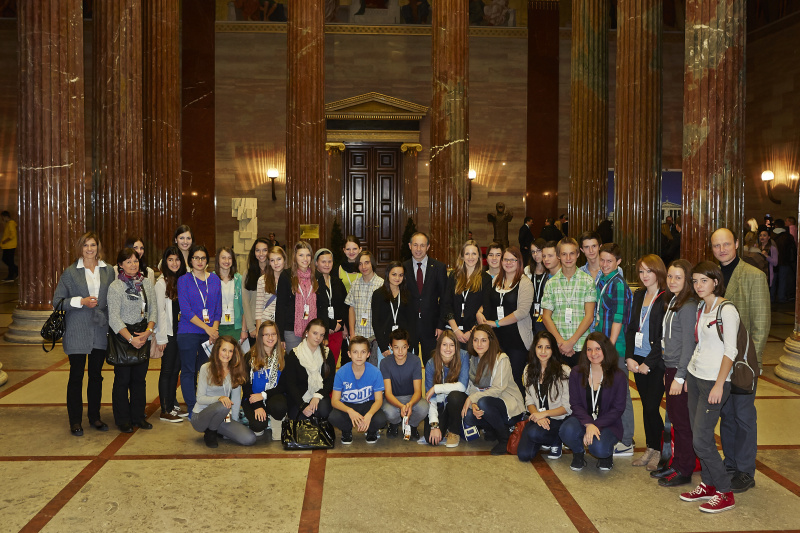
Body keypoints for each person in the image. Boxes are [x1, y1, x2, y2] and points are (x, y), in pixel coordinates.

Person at [710, 228, 770, 494]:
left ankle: (745, 470)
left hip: (743, 364)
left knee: (744, 418)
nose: (722, 250)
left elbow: (761, 325)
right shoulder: (711, 277)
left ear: (736, 244)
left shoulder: (754, 276)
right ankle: (731, 464)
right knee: (727, 416)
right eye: (716, 246)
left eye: (726, 244)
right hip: (718, 363)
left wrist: (748, 366)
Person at [679, 261, 737, 513]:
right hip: (696, 376)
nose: (698, 285)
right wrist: (687, 376)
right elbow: (700, 344)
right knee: (696, 435)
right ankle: (708, 484)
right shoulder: (702, 306)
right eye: (695, 280)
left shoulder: (727, 310)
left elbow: (730, 351)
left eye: (704, 280)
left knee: (702, 439)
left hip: (715, 381)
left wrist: (720, 385)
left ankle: (725, 492)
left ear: (716, 281)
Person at [53, 232, 114, 436]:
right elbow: (57, 301)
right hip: (77, 329)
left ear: (98, 247)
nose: (90, 249)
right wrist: (82, 301)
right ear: (80, 248)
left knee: (96, 376)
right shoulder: (70, 272)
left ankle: (94, 417)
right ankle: (75, 420)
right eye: (86, 245)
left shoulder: (108, 270)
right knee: (76, 375)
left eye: (93, 245)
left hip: (99, 329)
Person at [653, 259, 697, 487]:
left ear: (687, 280)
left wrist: (680, 376)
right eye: (670, 276)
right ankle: (676, 462)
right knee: (675, 419)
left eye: (678, 277)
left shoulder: (688, 306)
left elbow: (689, 345)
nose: (672, 281)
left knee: (682, 423)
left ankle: (685, 468)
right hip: (670, 369)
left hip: (681, 372)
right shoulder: (673, 302)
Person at [559, 332, 627, 471]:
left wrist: (596, 425)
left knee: (599, 448)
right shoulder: (577, 372)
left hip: (608, 423)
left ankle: (606, 455)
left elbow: (618, 409)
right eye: (589, 349)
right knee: (566, 431)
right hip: (583, 419)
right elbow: (575, 404)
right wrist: (589, 424)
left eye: (598, 349)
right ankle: (578, 452)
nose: (593, 353)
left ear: (605, 350)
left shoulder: (618, 376)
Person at [107, 248, 157, 433]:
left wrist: (148, 332)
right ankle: (122, 419)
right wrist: (130, 339)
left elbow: (153, 310)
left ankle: (138, 417)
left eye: (135, 261)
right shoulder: (116, 287)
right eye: (128, 261)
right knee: (122, 380)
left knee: (139, 380)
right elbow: (113, 317)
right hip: (123, 337)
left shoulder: (146, 284)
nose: (133, 265)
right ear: (120, 264)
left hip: (143, 335)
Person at [625, 255, 667, 470]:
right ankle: (650, 447)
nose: (644, 276)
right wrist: (630, 357)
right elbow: (632, 327)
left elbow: (664, 336)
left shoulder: (665, 298)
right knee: (646, 406)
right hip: (638, 359)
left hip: (656, 362)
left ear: (658, 271)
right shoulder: (639, 294)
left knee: (652, 406)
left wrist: (648, 363)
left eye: (648, 271)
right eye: (641, 272)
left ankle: (660, 449)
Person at [593, 243, 634, 456]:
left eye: (610, 261)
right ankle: (615, 432)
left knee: (622, 394)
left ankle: (627, 440)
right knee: (608, 392)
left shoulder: (617, 283)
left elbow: (618, 317)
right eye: (603, 260)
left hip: (614, 347)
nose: (605, 264)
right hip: (603, 344)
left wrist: (608, 348)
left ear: (618, 262)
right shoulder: (602, 279)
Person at [476, 246, 533, 395]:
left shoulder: (524, 282)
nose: (508, 263)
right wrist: (479, 312)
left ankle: (519, 412)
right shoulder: (496, 281)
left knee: (513, 378)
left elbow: (522, 312)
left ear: (518, 262)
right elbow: (489, 302)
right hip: (498, 338)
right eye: (505, 259)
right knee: (498, 377)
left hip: (517, 339)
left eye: (512, 260)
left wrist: (496, 323)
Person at [461, 325, 526, 455]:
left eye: (483, 340)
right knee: (468, 416)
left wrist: (472, 399)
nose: (479, 344)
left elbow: (497, 389)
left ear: (491, 341)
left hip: (509, 406)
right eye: (475, 340)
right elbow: (472, 387)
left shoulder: (501, 358)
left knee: (484, 402)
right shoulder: (473, 360)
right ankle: (491, 429)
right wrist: (473, 404)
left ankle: (504, 439)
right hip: (488, 404)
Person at [177, 244, 221, 415]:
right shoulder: (184, 280)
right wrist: (208, 329)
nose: (200, 261)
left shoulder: (215, 279)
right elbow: (186, 311)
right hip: (188, 331)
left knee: (206, 370)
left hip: (210, 334)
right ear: (190, 261)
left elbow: (217, 308)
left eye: (203, 258)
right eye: (196, 258)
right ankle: (192, 407)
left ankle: (205, 404)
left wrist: (214, 330)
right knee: (188, 370)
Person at [190, 336, 256, 448]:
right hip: (200, 417)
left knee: (249, 439)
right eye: (224, 350)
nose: (227, 354)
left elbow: (235, 399)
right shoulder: (206, 368)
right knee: (224, 405)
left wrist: (233, 422)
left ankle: (216, 429)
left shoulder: (235, 370)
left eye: (230, 351)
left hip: (222, 415)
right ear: (217, 351)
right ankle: (210, 433)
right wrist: (219, 398)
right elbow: (200, 399)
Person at [517, 331, 571, 462]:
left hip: (558, 418)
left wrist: (544, 414)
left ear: (553, 350)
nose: (543, 351)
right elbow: (528, 400)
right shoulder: (528, 370)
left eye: (548, 347)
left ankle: (556, 440)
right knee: (524, 455)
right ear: (534, 348)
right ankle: (543, 437)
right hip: (538, 417)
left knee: (534, 433)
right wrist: (537, 416)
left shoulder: (564, 371)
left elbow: (568, 407)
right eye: (539, 346)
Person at [541, 238, 597, 367]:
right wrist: (561, 343)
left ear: (578, 254)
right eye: (564, 254)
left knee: (581, 386)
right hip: (558, 347)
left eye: (572, 253)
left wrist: (571, 342)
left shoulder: (588, 281)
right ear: (559, 256)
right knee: (559, 386)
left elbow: (589, 317)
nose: (568, 258)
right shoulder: (551, 283)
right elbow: (546, 317)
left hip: (581, 346)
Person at [330, 335, 388, 444]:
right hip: (348, 404)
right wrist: (350, 411)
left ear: (368, 354)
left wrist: (369, 415)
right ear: (349, 354)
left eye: (363, 352)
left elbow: (379, 400)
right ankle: (346, 431)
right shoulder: (341, 372)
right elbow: (334, 401)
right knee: (333, 417)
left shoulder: (375, 372)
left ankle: (372, 431)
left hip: (367, 404)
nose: (359, 356)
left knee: (381, 419)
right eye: (355, 352)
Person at [403, 232, 447, 364]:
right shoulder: (402, 268)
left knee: (432, 366)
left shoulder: (439, 268)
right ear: (410, 246)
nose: (418, 249)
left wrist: (441, 324)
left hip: (432, 327)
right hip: (409, 326)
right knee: (407, 365)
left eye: (422, 245)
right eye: (415, 245)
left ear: (428, 247)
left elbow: (445, 298)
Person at [155, 246, 187, 423]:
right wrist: (161, 337)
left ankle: (172, 405)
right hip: (168, 334)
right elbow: (160, 312)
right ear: (165, 262)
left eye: (177, 259)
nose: (174, 263)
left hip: (180, 332)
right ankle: (165, 409)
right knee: (167, 371)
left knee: (175, 370)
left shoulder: (180, 281)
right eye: (170, 260)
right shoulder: (161, 283)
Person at [441, 240, 491, 352]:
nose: (470, 257)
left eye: (474, 253)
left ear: (479, 256)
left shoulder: (485, 279)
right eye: (467, 253)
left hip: (474, 334)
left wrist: (471, 331)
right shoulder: (454, 276)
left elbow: (486, 307)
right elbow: (446, 304)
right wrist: (456, 330)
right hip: (452, 332)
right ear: (462, 256)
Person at [242, 320, 287, 440]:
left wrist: (264, 395)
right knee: (258, 426)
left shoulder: (283, 356)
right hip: (252, 397)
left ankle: (276, 419)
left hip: (273, 395)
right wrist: (257, 406)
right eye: (266, 334)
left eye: (273, 334)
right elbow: (245, 385)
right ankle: (263, 419)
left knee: (279, 407)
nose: (270, 337)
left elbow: (284, 385)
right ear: (260, 337)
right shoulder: (248, 357)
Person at [424, 330, 470, 447]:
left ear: (456, 346)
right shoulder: (431, 364)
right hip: (440, 404)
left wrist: (436, 388)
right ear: (439, 346)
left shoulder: (463, 356)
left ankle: (454, 432)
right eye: (444, 344)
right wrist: (435, 425)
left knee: (454, 396)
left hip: (458, 402)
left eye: (452, 345)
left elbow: (462, 386)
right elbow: (431, 399)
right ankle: (446, 425)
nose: (448, 349)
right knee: (431, 439)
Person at [282, 319, 335, 420]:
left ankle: (318, 425)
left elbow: (330, 381)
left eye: (322, 335)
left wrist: (317, 396)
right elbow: (290, 384)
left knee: (323, 410)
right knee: (300, 418)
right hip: (299, 399)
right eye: (315, 333)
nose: (318, 338)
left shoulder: (327, 353)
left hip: (319, 396)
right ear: (307, 333)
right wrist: (302, 406)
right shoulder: (294, 354)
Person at [380, 329, 427, 439]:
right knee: (388, 411)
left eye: (404, 347)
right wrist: (401, 406)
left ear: (408, 346)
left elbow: (418, 391)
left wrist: (409, 405)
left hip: (411, 397)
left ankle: (413, 426)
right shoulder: (385, 363)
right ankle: (394, 424)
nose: (400, 351)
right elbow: (388, 393)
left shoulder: (415, 360)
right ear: (390, 346)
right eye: (396, 347)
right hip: (392, 398)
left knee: (424, 408)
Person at [276, 241, 318, 351]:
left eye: (308, 255)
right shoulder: (286, 276)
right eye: (301, 255)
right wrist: (280, 336)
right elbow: (280, 307)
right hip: (291, 330)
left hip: (313, 330)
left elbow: (322, 305)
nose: (305, 258)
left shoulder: (317, 276)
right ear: (295, 257)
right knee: (294, 364)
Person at [372, 261, 415, 366]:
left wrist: (409, 346)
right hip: (385, 346)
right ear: (388, 274)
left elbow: (412, 322)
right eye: (394, 274)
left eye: (401, 275)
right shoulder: (378, 294)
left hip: (404, 346)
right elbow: (376, 323)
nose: (397, 278)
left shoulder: (408, 295)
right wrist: (383, 347)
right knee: (385, 378)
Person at [345, 250, 384, 360]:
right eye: (360, 264)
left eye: (367, 262)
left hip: (375, 336)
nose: (364, 266)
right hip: (358, 335)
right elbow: (351, 309)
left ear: (372, 263)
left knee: (374, 369)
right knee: (358, 368)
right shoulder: (355, 284)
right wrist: (352, 333)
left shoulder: (381, 284)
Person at [314, 248, 347, 365]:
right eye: (323, 261)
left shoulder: (338, 282)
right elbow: (315, 308)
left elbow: (344, 306)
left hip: (337, 330)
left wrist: (342, 325)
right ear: (316, 263)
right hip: (319, 331)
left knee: (332, 363)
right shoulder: (313, 283)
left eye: (330, 261)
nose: (327, 265)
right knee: (319, 364)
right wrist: (329, 324)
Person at [215, 246, 248, 342]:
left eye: (229, 258)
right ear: (218, 259)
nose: (227, 261)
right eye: (223, 257)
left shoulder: (240, 279)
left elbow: (244, 306)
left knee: (236, 356)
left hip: (236, 326)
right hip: (217, 326)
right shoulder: (211, 278)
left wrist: (244, 329)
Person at [242, 238, 271, 343]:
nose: (261, 253)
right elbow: (245, 302)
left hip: (272, 323)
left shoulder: (276, 273)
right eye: (258, 250)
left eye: (265, 250)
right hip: (254, 324)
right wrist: (250, 327)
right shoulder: (248, 273)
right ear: (254, 253)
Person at [255, 246, 286, 330]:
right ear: (269, 262)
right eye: (272, 260)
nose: (276, 263)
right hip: (266, 323)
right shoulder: (262, 280)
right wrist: (258, 330)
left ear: (284, 259)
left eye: (279, 259)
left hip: (284, 324)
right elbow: (259, 307)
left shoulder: (291, 279)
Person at [524, 238, 549, 333]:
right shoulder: (527, 270)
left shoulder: (550, 271)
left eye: (538, 251)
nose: (535, 255)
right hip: (530, 312)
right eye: (533, 252)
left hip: (545, 312)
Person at [771, 219, 795, 303]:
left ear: (775, 225)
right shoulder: (788, 237)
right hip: (785, 261)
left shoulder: (770, 235)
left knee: (772, 280)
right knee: (783, 280)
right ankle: (781, 298)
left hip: (772, 262)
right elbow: (793, 250)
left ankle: (771, 298)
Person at [757, 226, 778, 298]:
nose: (762, 237)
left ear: (768, 237)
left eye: (764, 235)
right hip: (757, 273)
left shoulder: (772, 248)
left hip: (768, 274)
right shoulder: (756, 247)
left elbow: (775, 263)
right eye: (760, 235)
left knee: (767, 295)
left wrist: (767, 256)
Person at [0, 210, 17, 281]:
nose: (2, 219)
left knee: (9, 261)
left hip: (10, 246)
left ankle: (11, 276)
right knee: (7, 260)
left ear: (5, 216)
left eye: (2, 217)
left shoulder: (11, 223)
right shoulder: (8, 223)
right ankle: (16, 272)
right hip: (7, 246)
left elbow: (12, 235)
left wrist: (5, 241)